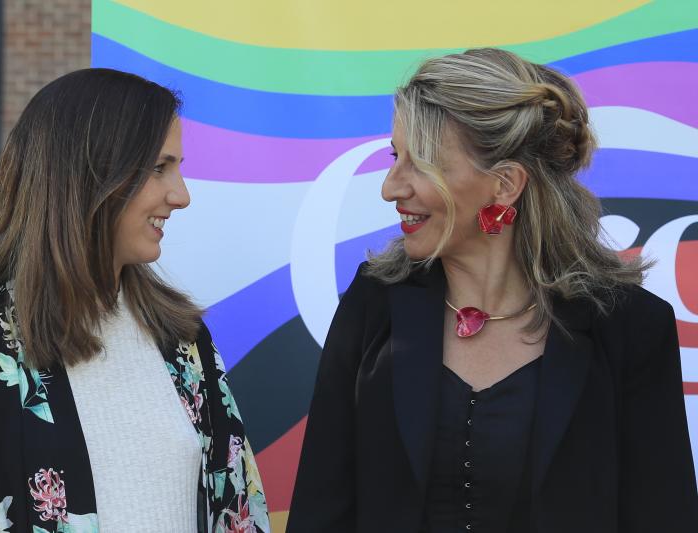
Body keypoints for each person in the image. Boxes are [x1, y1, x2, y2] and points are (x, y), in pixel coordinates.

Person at [287, 48, 697, 533]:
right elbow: (321, 511)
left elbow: (662, 516)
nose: (390, 187)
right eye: (395, 157)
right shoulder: (374, 304)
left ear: (504, 185)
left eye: (420, 164)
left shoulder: (629, 325)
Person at [0, 68, 269, 533]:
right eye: (159, 168)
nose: (181, 195)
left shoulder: (182, 341)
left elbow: (238, 510)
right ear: (90, 175)